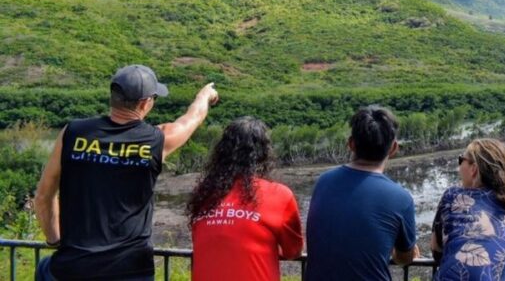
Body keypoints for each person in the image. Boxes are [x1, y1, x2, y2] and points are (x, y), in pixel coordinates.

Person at [34, 64, 220, 281]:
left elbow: (43, 196)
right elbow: (192, 119)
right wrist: (204, 95)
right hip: (130, 270)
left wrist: (55, 239)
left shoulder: (73, 132)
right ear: (144, 103)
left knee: (45, 267)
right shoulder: (155, 140)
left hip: (73, 268)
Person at [305, 105, 419, 281]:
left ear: (351, 144)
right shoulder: (400, 198)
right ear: (393, 148)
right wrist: (401, 253)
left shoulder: (324, 182)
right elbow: (405, 258)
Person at [188, 116, 303, 281]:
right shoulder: (279, 194)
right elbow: (293, 252)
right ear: (263, 153)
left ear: (221, 152)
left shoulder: (203, 194)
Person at [431, 138, 505, 281]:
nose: (458, 166)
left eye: (461, 160)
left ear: (474, 169)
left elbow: (437, 251)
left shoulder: (452, 196)